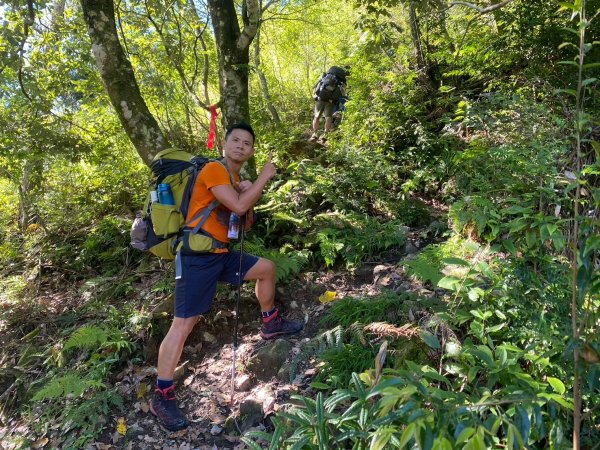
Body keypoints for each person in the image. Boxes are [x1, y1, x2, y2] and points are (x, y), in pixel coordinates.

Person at [150, 122, 304, 431]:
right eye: (235, 140)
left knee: (266, 269)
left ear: (251, 151)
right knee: (184, 324)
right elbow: (237, 205)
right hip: (196, 256)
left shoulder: (233, 178)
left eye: (247, 143)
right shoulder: (214, 171)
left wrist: (247, 191)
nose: (240, 146)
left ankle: (270, 321)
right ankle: (161, 395)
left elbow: (243, 219)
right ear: (224, 143)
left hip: (220, 253)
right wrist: (261, 180)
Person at [311, 66, 349, 141]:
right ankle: (325, 134)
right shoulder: (339, 80)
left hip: (320, 99)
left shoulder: (325, 77)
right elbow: (342, 92)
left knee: (316, 117)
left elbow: (317, 87)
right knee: (328, 117)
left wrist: (316, 96)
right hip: (330, 101)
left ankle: (315, 133)